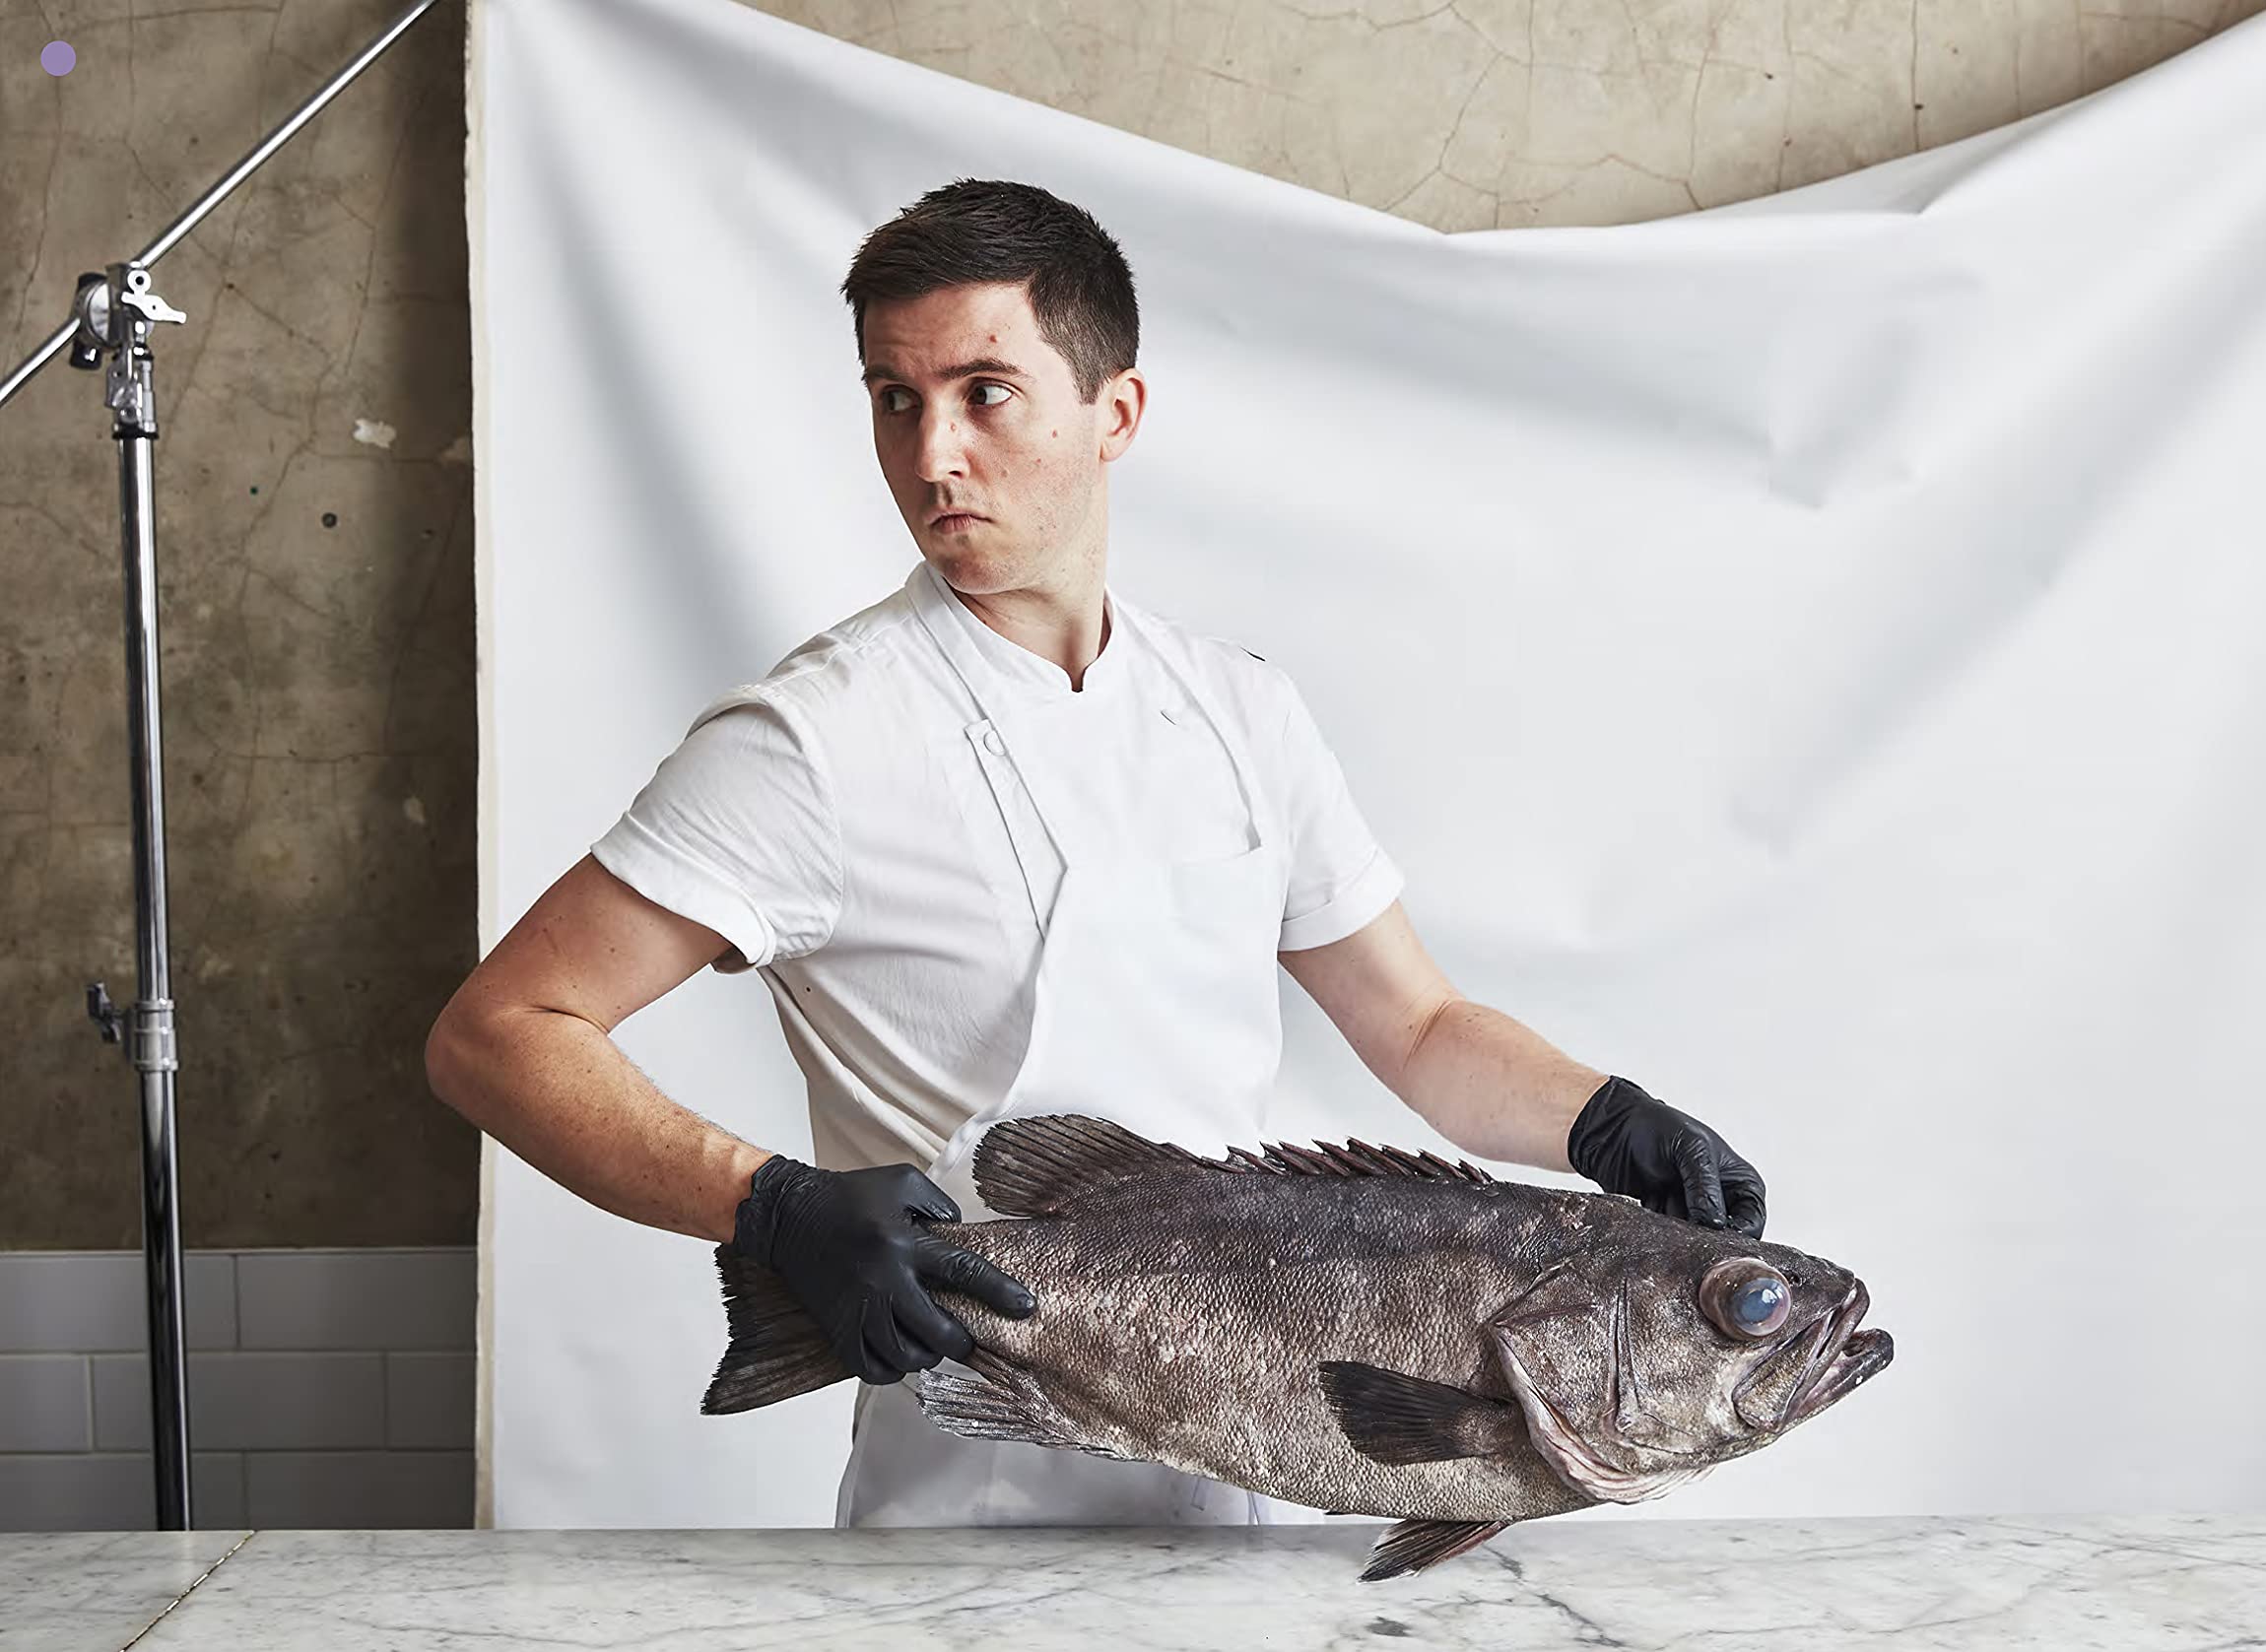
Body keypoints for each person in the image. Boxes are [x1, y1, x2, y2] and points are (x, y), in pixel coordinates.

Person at [425, 178, 1767, 1529]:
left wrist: (1607, 1118)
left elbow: (1416, 1027)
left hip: (1246, 1491)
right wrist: (769, 1206)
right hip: (964, 1510)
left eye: (984, 394)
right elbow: (499, 1032)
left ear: (1114, 412)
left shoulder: (1241, 712)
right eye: (894, 399)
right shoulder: (814, 738)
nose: (932, 454)